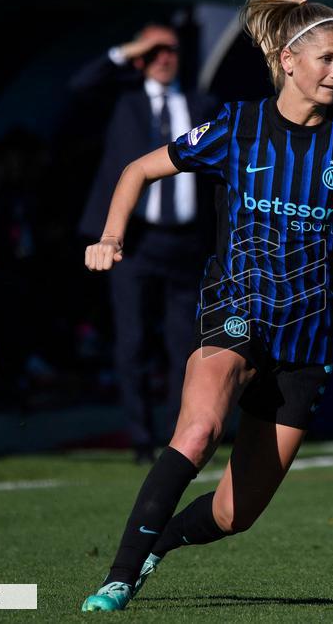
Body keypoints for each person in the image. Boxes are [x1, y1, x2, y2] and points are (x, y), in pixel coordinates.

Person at [79, 0, 333, 612]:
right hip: (237, 310)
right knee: (197, 432)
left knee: (234, 514)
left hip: (308, 338)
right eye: (326, 60)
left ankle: (156, 548)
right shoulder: (237, 126)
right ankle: (117, 577)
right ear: (288, 59)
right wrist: (111, 237)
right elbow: (136, 170)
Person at [71, 24, 220, 463]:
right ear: (139, 57)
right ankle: (140, 437)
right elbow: (80, 87)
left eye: (170, 49)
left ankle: (180, 436)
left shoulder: (199, 103)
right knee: (132, 339)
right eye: (153, 51)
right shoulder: (125, 103)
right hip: (134, 241)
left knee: (185, 345)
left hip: (187, 242)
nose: (163, 57)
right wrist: (130, 48)